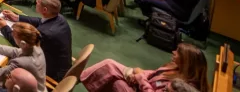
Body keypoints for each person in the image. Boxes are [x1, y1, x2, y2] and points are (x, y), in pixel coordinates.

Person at [0, 0, 72, 82]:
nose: (36, 1)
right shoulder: (60, 18)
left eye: (38, 1)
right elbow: (40, 21)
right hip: (63, 65)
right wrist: (17, 18)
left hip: (52, 74)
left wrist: (4, 27)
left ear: (44, 10)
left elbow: (21, 43)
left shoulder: (45, 33)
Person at [80, 43, 209, 92]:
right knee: (110, 65)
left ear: (187, 61)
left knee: (117, 83)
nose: (173, 52)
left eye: (178, 53)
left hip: (142, 87)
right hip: (140, 83)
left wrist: (141, 78)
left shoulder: (181, 87)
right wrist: (139, 74)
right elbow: (154, 73)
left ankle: (76, 77)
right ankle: (78, 76)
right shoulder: (176, 68)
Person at [0, 23, 47, 92]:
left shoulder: (20, 62)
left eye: (14, 35)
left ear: (23, 44)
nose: (12, 35)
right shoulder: (36, 46)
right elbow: (16, 51)